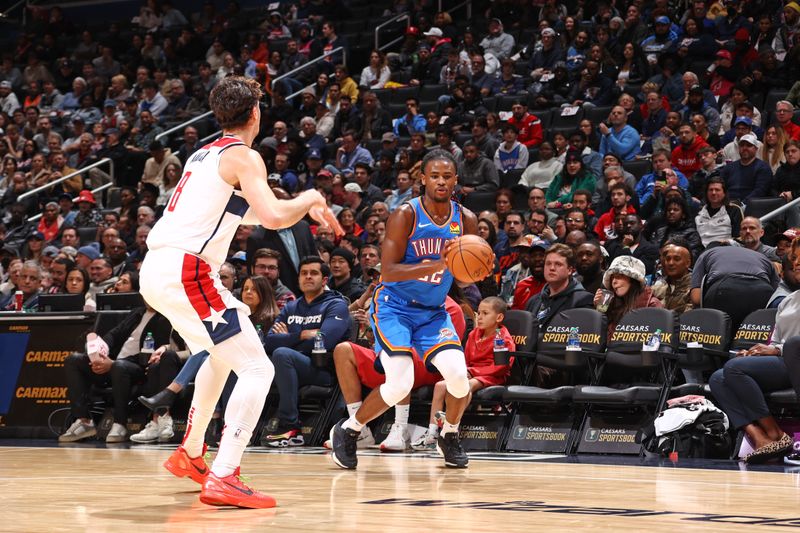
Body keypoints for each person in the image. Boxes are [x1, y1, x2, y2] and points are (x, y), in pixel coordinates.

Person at [138, 77, 341, 509]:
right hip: (188, 269)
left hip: (158, 269)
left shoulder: (203, 153)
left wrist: (302, 205)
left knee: (218, 353)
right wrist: (307, 198)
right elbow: (270, 216)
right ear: (256, 114)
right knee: (256, 368)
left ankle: (191, 454)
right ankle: (225, 475)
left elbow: (243, 209)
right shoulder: (244, 157)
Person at [329, 149, 478, 470]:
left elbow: (465, 277)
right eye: (434, 176)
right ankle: (349, 430)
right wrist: (437, 263)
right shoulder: (405, 215)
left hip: (433, 311)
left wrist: (470, 268)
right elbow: (388, 270)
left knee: (458, 377)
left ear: (455, 180)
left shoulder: (466, 219)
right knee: (399, 384)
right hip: (394, 307)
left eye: (447, 176)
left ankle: (449, 434)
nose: (441, 181)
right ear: (422, 179)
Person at [709, 241, 800, 463]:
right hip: (785, 361)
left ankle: (776, 434)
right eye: (795, 258)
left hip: (794, 359)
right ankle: (760, 437)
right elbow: (778, 339)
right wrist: (757, 353)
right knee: (719, 378)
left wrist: (775, 350)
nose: (796, 263)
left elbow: (787, 345)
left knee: (735, 369)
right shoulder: (788, 301)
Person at [262, 256, 352, 446]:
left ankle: (290, 427)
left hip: (323, 370)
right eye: (304, 273)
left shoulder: (336, 304)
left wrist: (286, 339)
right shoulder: (291, 307)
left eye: (314, 273)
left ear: (325, 280)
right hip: (290, 367)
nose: (308, 277)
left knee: (282, 354)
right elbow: (269, 342)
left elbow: (325, 341)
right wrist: (301, 335)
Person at [414, 296, 515, 449]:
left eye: (485, 313)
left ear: (499, 317)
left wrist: (472, 372)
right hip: (471, 372)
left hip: (492, 376)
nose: (479, 317)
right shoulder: (474, 334)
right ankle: (432, 433)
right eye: (478, 313)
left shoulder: (503, 338)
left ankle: (451, 427)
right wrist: (462, 371)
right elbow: (465, 359)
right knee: (440, 385)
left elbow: (502, 367)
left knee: (468, 385)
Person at [691, 244, 780, 329]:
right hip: (762, 290)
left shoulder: (706, 254)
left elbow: (696, 298)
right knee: (752, 340)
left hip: (724, 290)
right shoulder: (762, 257)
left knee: (720, 337)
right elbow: (776, 298)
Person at [593, 255, 663, 337]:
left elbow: (655, 341)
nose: (614, 281)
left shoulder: (652, 305)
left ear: (633, 279)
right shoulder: (611, 304)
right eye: (612, 278)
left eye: (619, 276)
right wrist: (600, 311)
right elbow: (599, 339)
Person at [694, 177, 742, 247]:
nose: (713, 193)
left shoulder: (734, 210)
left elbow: (740, 237)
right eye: (711, 190)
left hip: (724, 248)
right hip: (700, 250)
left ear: (724, 193)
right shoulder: (698, 212)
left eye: (717, 190)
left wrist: (728, 242)